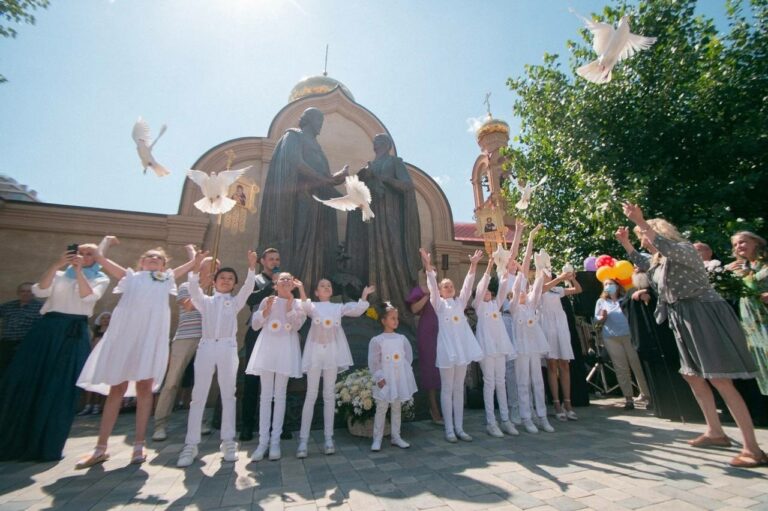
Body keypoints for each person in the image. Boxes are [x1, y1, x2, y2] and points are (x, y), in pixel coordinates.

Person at [617, 203, 766, 468]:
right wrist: (626, 244)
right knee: (692, 375)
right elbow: (644, 264)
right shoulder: (660, 262)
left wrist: (640, 222)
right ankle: (715, 432)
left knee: (720, 379)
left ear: (657, 232)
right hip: (682, 317)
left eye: (644, 237)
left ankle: (752, 449)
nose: (644, 243)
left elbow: (664, 246)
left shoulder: (683, 249)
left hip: (701, 314)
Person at [75, 242, 196, 468]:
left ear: (163, 265)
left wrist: (191, 251)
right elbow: (101, 259)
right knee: (117, 389)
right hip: (126, 337)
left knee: (144, 388)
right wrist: (106, 241)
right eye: (149, 256)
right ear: (141, 262)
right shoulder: (130, 277)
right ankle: (101, 447)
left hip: (149, 339)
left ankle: (139, 445)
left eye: (158, 258)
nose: (153, 259)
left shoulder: (166, 279)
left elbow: (191, 265)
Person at [0, 243, 109, 461]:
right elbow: (40, 290)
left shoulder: (101, 278)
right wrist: (57, 265)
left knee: (60, 385)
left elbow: (88, 297)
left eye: (90, 254)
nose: (84, 256)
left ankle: (46, 443)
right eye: (80, 253)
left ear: (96, 258)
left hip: (73, 332)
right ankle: (13, 439)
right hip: (48, 329)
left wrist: (79, 272)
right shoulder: (60, 275)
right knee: (26, 379)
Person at [177, 250, 257, 467]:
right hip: (206, 347)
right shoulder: (205, 301)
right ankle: (191, 444)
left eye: (230, 278)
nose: (226, 280)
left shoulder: (235, 302)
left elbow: (248, 288)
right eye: (222, 277)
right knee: (198, 395)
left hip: (227, 347)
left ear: (234, 284)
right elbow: (194, 289)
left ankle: (228, 440)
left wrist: (251, 266)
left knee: (228, 394)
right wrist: (196, 266)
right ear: (214, 281)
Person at [258, 107, 348, 290]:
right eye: (318, 120)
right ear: (308, 120)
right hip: (300, 200)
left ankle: (314, 290)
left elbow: (325, 178)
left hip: (318, 203)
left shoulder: (317, 147)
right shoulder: (293, 136)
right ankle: (295, 288)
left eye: (321, 121)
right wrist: (327, 179)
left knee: (317, 247)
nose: (320, 124)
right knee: (301, 241)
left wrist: (337, 180)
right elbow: (296, 162)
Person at [295, 280, 374, 458]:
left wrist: (364, 295)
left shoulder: (337, 307)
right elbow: (305, 306)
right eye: (322, 285)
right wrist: (300, 288)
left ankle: (328, 438)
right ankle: (303, 441)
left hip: (331, 353)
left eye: (329, 285)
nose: (326, 287)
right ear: (316, 292)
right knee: (311, 395)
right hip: (315, 352)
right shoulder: (313, 306)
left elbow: (356, 310)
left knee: (329, 395)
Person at [346, 133, 421, 312]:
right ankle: (374, 300)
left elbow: (407, 185)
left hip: (390, 215)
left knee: (392, 250)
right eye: (375, 141)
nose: (376, 143)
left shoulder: (394, 162)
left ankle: (397, 299)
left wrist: (384, 179)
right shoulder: (369, 166)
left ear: (388, 145)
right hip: (372, 217)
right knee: (372, 253)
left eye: (380, 140)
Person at [419, 247, 484, 443]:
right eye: (445, 286)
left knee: (458, 388)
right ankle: (449, 429)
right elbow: (432, 285)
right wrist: (428, 265)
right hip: (446, 350)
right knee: (447, 389)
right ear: (440, 291)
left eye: (450, 285)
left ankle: (459, 428)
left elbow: (467, 286)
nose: (449, 288)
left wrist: (473, 265)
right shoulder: (438, 304)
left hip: (461, 350)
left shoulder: (459, 303)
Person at [153, 256, 218, 442]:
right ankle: (160, 424)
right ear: (201, 268)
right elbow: (189, 306)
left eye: (217, 267)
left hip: (207, 338)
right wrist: (203, 286)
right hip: (185, 337)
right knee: (172, 381)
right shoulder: (186, 286)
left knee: (202, 382)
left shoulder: (217, 290)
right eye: (211, 266)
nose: (214, 270)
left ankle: (200, 420)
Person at [246, 272, 307, 462]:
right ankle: (262, 442)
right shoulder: (267, 300)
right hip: (267, 348)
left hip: (286, 350)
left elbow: (297, 325)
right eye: (282, 279)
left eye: (289, 279)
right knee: (265, 396)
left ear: (293, 284)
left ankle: (275, 442)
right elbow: (255, 325)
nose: (286, 281)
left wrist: (289, 309)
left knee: (280, 395)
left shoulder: (298, 303)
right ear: (275, 284)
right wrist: (265, 311)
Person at [507, 225, 554, 434]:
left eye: (525, 291)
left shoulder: (531, 304)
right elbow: (521, 278)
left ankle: (541, 416)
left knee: (538, 381)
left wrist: (532, 239)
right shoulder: (514, 307)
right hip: (520, 348)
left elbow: (535, 278)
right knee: (522, 382)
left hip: (534, 347)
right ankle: (525, 417)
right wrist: (521, 273)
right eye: (520, 291)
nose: (523, 292)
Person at [473, 257, 518, 437]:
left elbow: (503, 288)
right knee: (489, 383)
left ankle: (505, 420)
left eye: (488, 291)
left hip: (499, 348)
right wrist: (489, 266)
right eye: (483, 291)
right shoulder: (478, 307)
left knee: (501, 382)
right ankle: (491, 422)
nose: (486, 292)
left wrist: (504, 269)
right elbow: (481, 287)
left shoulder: (496, 305)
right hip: (486, 349)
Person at [240, 247, 281, 441]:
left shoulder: (284, 280)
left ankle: (277, 424)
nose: (275, 262)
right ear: (263, 262)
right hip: (257, 331)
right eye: (271, 259)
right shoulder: (256, 280)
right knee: (252, 378)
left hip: (278, 333)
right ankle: (247, 424)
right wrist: (271, 286)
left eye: (277, 259)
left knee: (277, 377)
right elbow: (250, 299)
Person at [368, 302, 418, 451]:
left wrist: (402, 374)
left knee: (396, 407)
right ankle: (377, 439)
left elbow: (407, 358)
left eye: (397, 318)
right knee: (382, 407)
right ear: (383, 321)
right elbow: (374, 362)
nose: (396, 321)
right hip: (385, 379)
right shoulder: (377, 340)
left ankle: (396, 436)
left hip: (398, 379)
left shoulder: (402, 338)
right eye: (392, 318)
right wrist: (379, 377)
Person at [594, 278, 651, 410]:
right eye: (605, 284)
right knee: (621, 368)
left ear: (618, 285)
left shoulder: (625, 298)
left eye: (611, 284)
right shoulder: (601, 301)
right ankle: (628, 398)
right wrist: (602, 318)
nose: (608, 286)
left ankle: (647, 395)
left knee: (637, 365)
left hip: (629, 335)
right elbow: (596, 320)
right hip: (611, 337)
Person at [728, 231, 768, 395]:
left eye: (742, 242)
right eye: (735, 244)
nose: (739, 246)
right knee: (762, 360)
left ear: (756, 242)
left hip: (765, 314)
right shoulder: (740, 267)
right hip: (751, 321)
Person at [542, 270, 583, 421]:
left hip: (560, 325)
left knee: (564, 364)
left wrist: (572, 279)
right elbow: (543, 289)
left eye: (548, 273)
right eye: (544, 273)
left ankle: (568, 403)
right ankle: (556, 403)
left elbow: (577, 290)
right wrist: (560, 278)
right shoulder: (537, 288)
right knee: (552, 365)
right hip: (547, 325)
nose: (547, 275)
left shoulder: (557, 289)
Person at [406, 272, 443, 424]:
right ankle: (433, 408)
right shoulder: (419, 290)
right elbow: (414, 309)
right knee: (430, 368)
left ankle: (446, 406)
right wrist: (427, 295)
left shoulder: (441, 288)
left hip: (444, 332)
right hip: (427, 332)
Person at [0, 282, 43, 376]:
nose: (25, 293)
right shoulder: (8, 306)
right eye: (23, 291)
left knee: (21, 371)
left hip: (26, 344)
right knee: (3, 369)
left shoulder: (41, 308)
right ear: (18, 293)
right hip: (7, 343)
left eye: (29, 291)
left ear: (34, 293)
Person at [77, 311, 112, 416]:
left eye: (108, 318)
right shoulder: (94, 332)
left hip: (105, 360)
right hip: (93, 359)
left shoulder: (112, 332)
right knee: (89, 382)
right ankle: (88, 405)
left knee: (99, 383)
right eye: (103, 318)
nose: (105, 320)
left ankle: (97, 405)